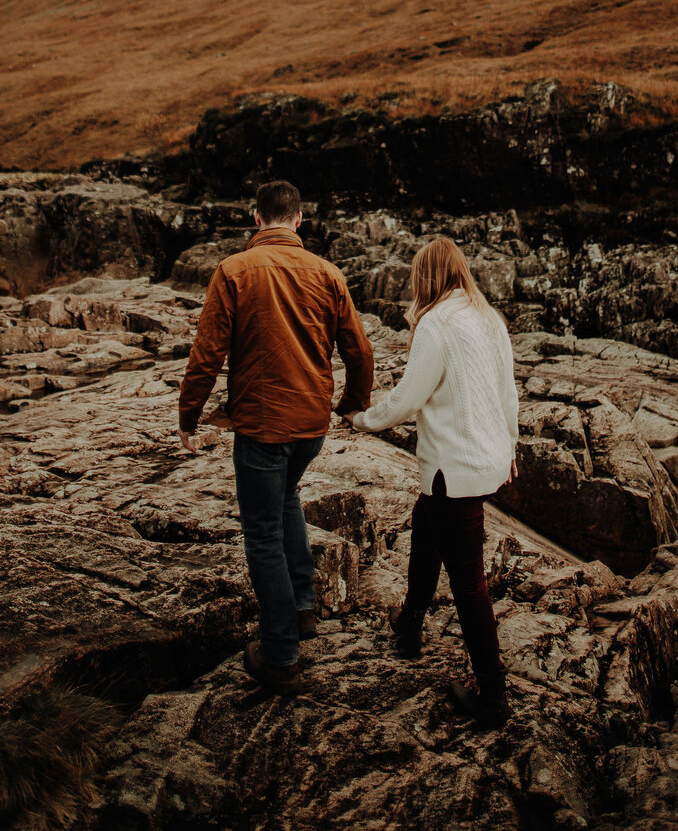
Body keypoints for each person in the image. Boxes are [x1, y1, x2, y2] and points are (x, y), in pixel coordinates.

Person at [178, 179, 374, 696]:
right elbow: (361, 352)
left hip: (264, 425)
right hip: (310, 424)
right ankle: (305, 606)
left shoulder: (235, 271)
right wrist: (352, 406)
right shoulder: (328, 273)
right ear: (300, 219)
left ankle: (281, 652)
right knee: (288, 499)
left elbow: (207, 353)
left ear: (256, 216)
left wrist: (188, 416)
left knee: (262, 531)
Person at [350, 236, 519, 728]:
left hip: (456, 467)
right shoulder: (489, 318)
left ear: (426, 277)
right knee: (425, 532)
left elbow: (406, 400)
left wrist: (362, 420)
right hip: (483, 459)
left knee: (469, 582)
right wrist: (511, 446)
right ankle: (409, 627)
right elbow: (509, 393)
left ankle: (493, 693)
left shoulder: (436, 324)